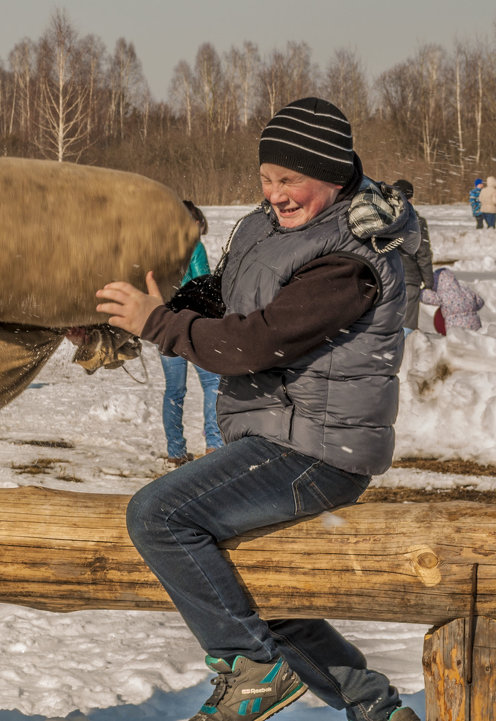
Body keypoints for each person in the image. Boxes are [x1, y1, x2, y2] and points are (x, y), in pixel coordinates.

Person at [97, 98, 421, 721]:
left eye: (290, 181)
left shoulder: (353, 256)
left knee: (159, 514)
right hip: (273, 439)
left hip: (319, 452)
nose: (275, 194)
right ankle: (375, 708)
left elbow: (253, 341)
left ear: (332, 175)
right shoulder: (262, 228)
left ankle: (249, 672)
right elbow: (220, 297)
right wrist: (135, 317)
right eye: (267, 179)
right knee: (255, 590)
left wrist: (161, 325)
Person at [158, 201, 223, 466]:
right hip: (192, 325)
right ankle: (215, 446)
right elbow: (203, 282)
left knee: (174, 391)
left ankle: (175, 452)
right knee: (213, 384)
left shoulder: (158, 248)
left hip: (164, 325)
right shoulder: (194, 246)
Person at [391, 179, 434, 334]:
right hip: (409, 279)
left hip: (386, 278)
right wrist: (429, 281)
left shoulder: (383, 219)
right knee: (407, 325)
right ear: (410, 197)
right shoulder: (416, 221)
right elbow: (423, 253)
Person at [422, 267, 485, 333]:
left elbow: (428, 297)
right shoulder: (465, 290)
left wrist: (420, 292)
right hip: (475, 325)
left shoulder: (443, 295)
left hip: (456, 329)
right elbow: (480, 301)